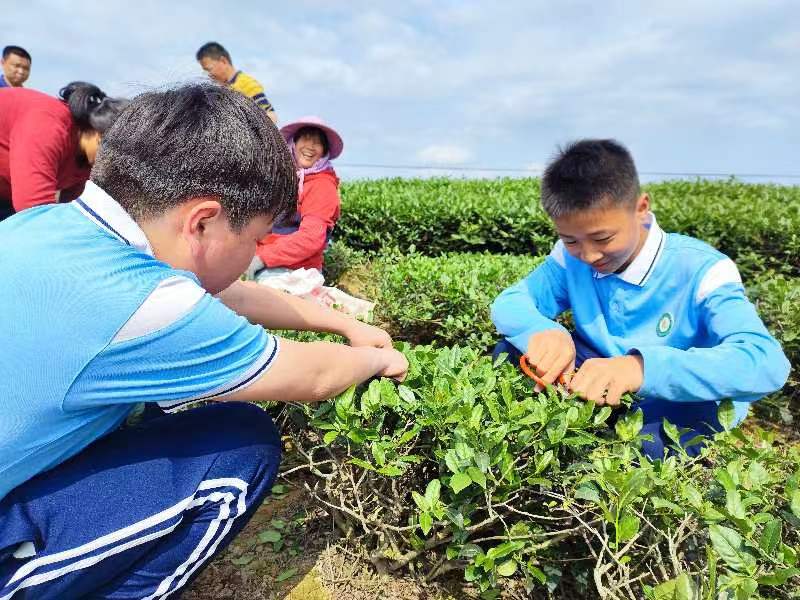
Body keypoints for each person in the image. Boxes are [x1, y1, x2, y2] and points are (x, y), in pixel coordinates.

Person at [0, 83, 407, 598]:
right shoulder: (145, 304)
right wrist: (376, 360)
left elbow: (228, 293)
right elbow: (315, 376)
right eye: (255, 239)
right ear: (203, 221)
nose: (254, 254)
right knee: (240, 446)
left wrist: (343, 324)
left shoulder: (41, 223)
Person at [490, 139, 789, 460]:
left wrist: (641, 368)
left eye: (603, 238)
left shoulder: (704, 270)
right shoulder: (568, 258)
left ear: (641, 208)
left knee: (655, 441)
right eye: (571, 240)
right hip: (597, 368)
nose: (588, 255)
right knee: (512, 352)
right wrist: (543, 331)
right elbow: (511, 301)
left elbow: (766, 363)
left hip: (676, 393)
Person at [0, 81, 128, 221]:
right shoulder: (49, 127)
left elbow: (73, 207)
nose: (112, 165)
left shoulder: (87, 159)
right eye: (114, 156)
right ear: (99, 136)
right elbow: (34, 210)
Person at [251, 116, 343, 276]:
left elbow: (311, 238)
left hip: (295, 270)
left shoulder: (322, 185)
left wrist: (262, 258)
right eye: (306, 138)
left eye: (318, 142)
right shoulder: (285, 177)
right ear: (294, 143)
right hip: (261, 257)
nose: (310, 146)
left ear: (324, 152)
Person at [196, 41, 278, 123]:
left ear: (223, 61)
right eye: (205, 71)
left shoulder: (247, 84)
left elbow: (271, 116)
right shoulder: (214, 91)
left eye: (209, 69)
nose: (208, 74)